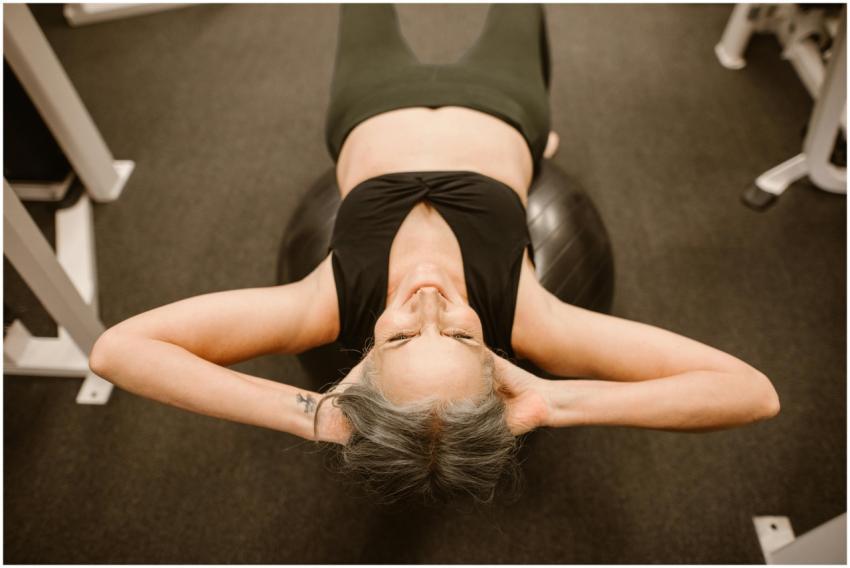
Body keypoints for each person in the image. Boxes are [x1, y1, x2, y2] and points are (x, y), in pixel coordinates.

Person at [89, 4, 780, 503]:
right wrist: (553, 404)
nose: (427, 303)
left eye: (395, 338)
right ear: (498, 361)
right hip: (502, 108)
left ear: (356, 367)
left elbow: (119, 350)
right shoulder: (535, 318)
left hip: (370, 107)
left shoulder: (321, 302)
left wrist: (315, 417)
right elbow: (752, 393)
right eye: (459, 334)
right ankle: (538, 152)